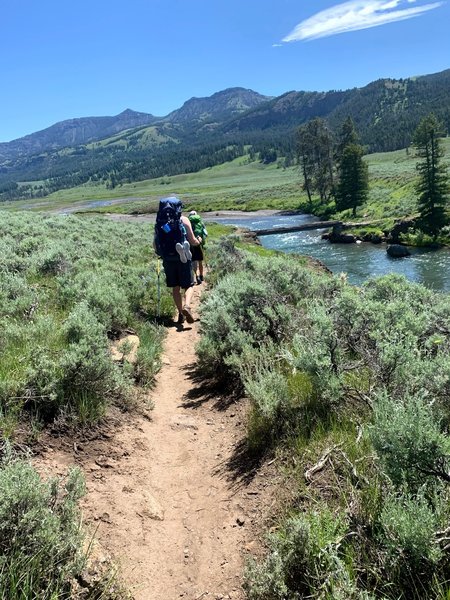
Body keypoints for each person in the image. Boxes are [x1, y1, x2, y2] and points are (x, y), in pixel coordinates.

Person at [154, 197, 202, 325]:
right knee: (189, 285)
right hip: (184, 259)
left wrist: (161, 253)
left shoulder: (159, 223)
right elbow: (192, 241)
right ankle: (187, 306)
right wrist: (198, 241)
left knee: (175, 288)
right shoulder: (184, 220)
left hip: (168, 259)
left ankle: (181, 314)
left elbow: (155, 244)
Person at [188, 210, 208, 285]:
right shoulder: (200, 222)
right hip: (199, 244)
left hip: (192, 244)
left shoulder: (188, 223)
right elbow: (206, 233)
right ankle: (202, 276)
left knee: (194, 261)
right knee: (200, 261)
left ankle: (197, 276)